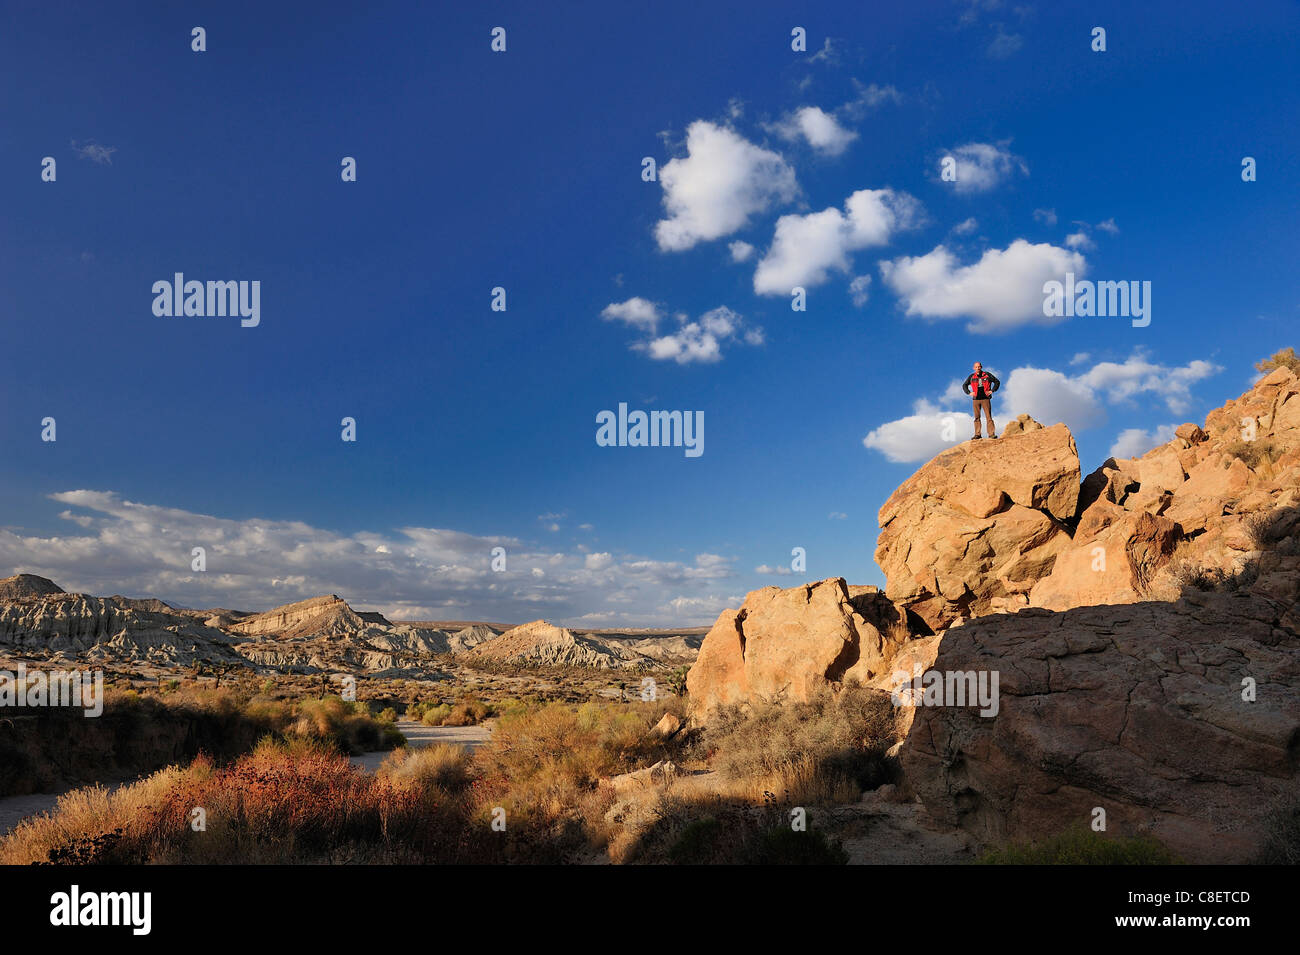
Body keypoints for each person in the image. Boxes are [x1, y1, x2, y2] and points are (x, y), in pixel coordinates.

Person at [962, 362, 1000, 439]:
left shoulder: (987, 375)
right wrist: (969, 392)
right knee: (977, 417)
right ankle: (977, 434)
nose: (978, 368)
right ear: (974, 368)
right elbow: (964, 385)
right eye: (976, 367)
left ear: (981, 367)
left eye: (979, 367)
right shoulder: (972, 376)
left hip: (985, 398)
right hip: (976, 399)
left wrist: (992, 390)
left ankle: (991, 434)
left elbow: (997, 382)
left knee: (988, 417)